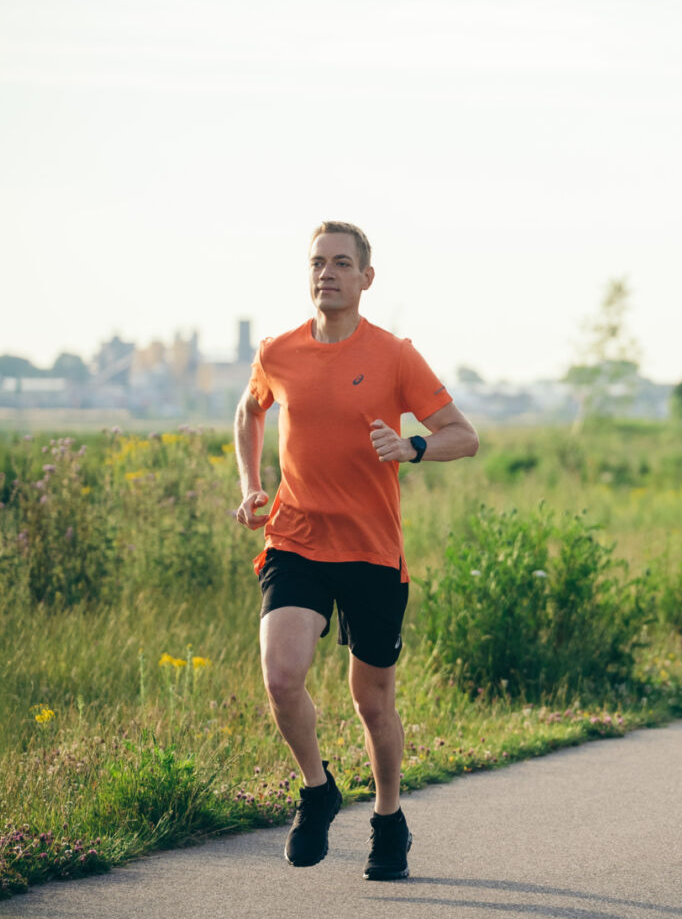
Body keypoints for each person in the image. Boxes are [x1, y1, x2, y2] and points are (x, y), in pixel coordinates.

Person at [233, 221, 478, 879]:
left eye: (342, 263)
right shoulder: (277, 351)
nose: (327, 274)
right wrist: (252, 484)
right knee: (282, 675)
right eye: (317, 263)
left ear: (366, 277)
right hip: (295, 538)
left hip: (371, 550)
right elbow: (250, 411)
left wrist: (414, 446)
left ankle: (389, 819)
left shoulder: (394, 355)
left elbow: (464, 434)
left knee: (372, 701)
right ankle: (317, 789)